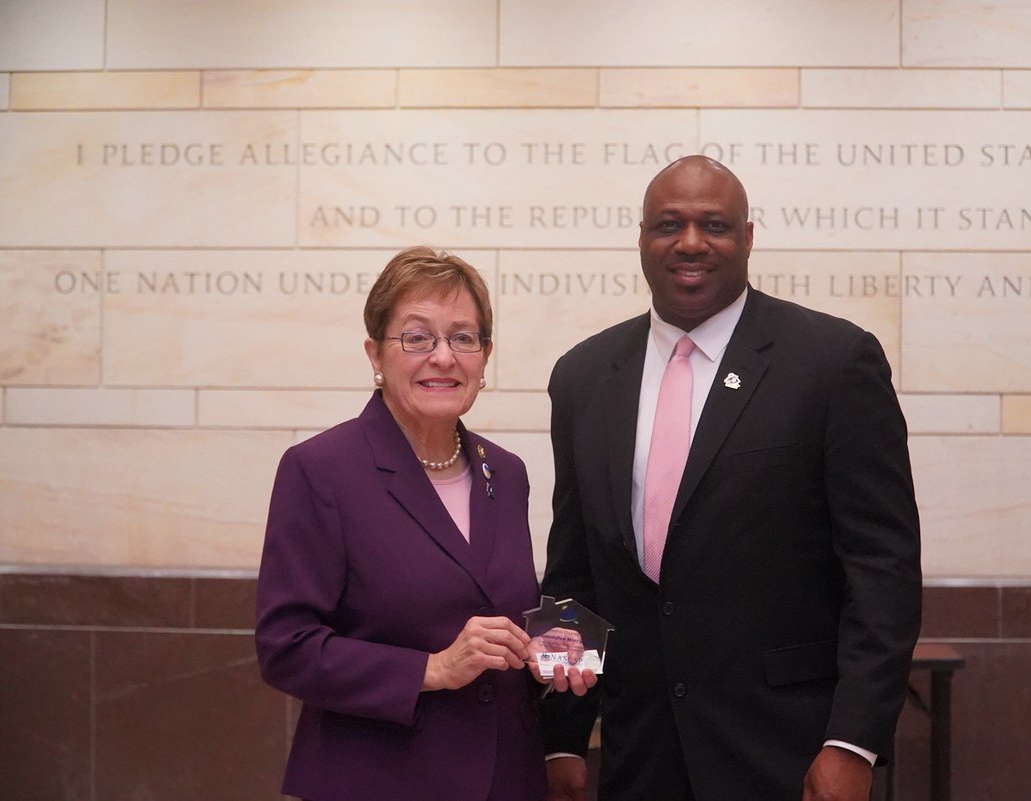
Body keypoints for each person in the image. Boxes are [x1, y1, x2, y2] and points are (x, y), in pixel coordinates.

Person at [539, 156, 922, 801]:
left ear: (747, 239)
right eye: (668, 224)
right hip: (640, 753)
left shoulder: (832, 363)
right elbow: (576, 572)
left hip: (789, 753)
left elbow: (882, 568)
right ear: (640, 241)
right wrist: (561, 736)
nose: (690, 243)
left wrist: (853, 741)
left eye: (713, 224)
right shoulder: (582, 377)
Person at [255, 247, 588, 801]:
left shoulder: (505, 472)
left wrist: (550, 652)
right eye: (417, 337)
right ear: (375, 354)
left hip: (507, 778)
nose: (443, 357)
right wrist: (431, 669)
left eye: (463, 337)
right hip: (378, 779)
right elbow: (285, 647)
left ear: (484, 357)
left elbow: (497, 605)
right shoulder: (321, 469)